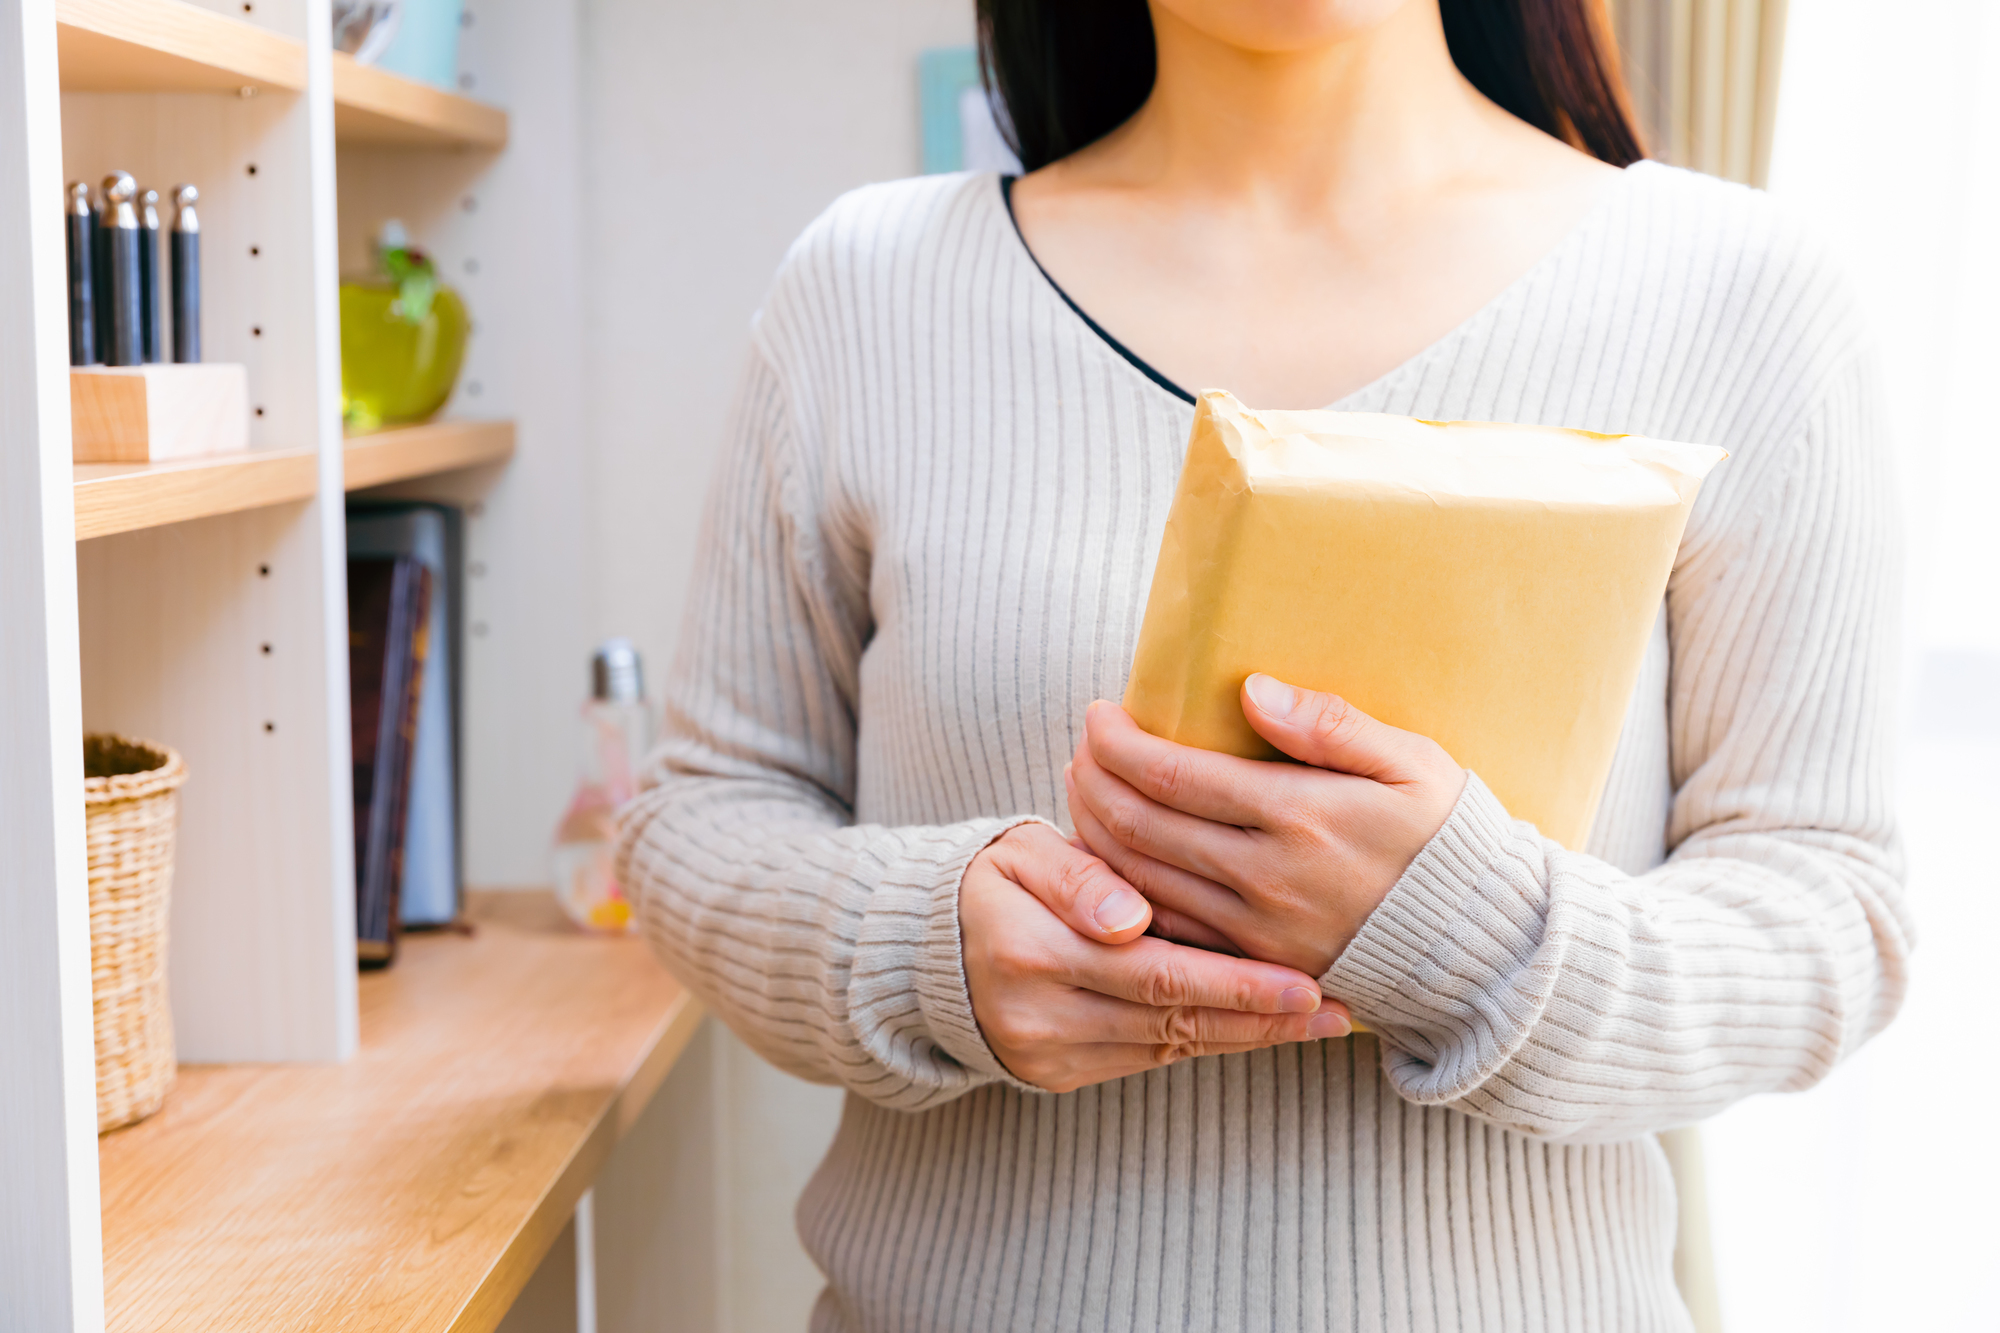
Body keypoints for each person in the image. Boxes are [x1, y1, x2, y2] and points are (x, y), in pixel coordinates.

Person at [616, 0, 1910, 1328]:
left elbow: (1832, 910)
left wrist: (1475, 937)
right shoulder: (865, 290)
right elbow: (700, 817)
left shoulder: (1745, 297)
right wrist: (924, 948)